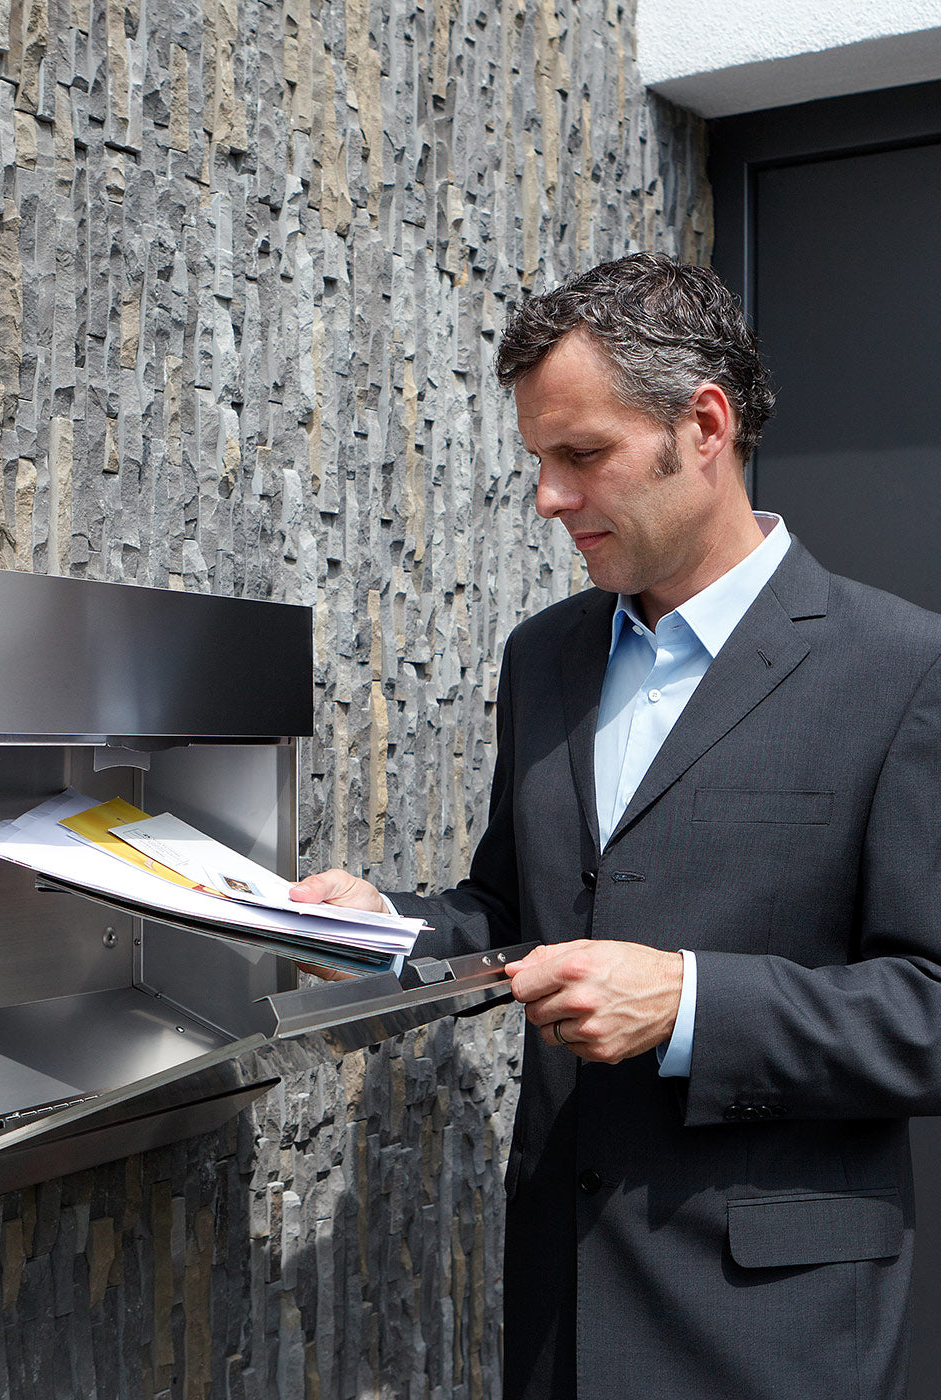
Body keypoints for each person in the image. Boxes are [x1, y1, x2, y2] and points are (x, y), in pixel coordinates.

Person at [291, 252, 941, 1400]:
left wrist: (691, 1002)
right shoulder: (543, 653)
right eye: (539, 461)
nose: (547, 497)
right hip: (559, 1302)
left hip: (773, 1331)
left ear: (702, 424)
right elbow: (508, 907)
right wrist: (382, 925)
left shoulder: (899, 669)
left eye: (579, 455)